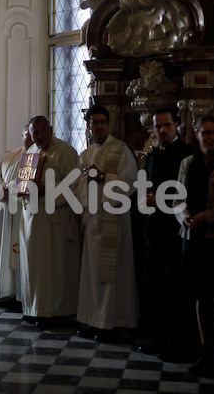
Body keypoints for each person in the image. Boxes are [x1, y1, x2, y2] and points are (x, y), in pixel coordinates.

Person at [173, 114, 214, 375]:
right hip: (192, 237)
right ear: (196, 134)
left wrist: (207, 216)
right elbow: (177, 197)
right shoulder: (188, 162)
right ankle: (206, 350)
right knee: (201, 296)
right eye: (206, 132)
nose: (212, 137)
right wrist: (185, 216)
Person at [76, 104, 139, 341]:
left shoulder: (121, 149)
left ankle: (114, 322)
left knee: (114, 273)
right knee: (93, 273)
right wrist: (87, 197)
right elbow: (78, 185)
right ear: (89, 126)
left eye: (102, 122)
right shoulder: (85, 154)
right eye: (94, 122)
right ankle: (93, 320)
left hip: (115, 218)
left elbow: (130, 183)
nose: (98, 126)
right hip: (93, 218)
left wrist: (103, 177)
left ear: (109, 124)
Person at [140, 108, 194, 354]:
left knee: (175, 291)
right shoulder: (151, 157)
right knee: (156, 289)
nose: (161, 130)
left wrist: (158, 200)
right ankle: (158, 338)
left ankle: (178, 343)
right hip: (153, 233)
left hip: (173, 233)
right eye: (157, 126)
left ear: (177, 126)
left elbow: (185, 194)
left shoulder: (187, 155)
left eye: (166, 126)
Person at [18, 116, 81, 329]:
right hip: (33, 218)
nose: (39, 136)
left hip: (55, 218)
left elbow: (74, 182)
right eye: (35, 133)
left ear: (50, 129)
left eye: (43, 131)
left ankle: (57, 312)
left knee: (55, 265)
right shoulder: (31, 152)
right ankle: (34, 308)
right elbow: (24, 180)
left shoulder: (65, 151)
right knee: (34, 265)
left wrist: (48, 189)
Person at [0, 124, 33, 307]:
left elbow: (30, 185)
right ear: (22, 135)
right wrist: (1, 190)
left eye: (33, 134)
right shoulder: (10, 157)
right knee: (7, 251)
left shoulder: (36, 157)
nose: (30, 138)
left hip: (26, 211)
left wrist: (10, 188)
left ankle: (23, 294)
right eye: (27, 135)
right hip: (8, 212)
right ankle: (8, 291)